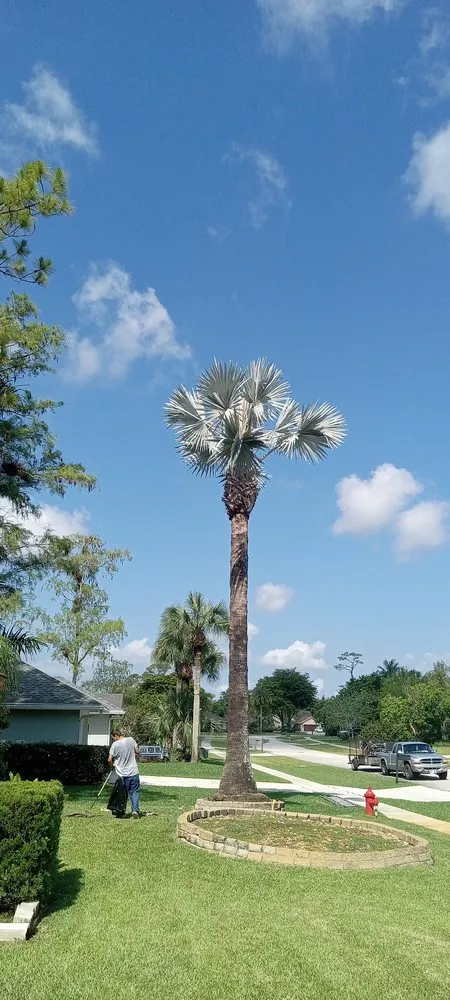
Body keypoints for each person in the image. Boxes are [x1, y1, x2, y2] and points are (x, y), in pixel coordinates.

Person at [108, 730, 141, 818]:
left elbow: (109, 759)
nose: (113, 740)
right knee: (134, 792)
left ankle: (120, 811)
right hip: (134, 772)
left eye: (113, 738)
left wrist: (112, 766)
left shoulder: (115, 745)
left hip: (122, 774)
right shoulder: (131, 740)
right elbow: (137, 751)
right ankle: (135, 810)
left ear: (116, 736)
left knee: (122, 793)